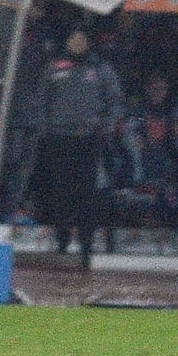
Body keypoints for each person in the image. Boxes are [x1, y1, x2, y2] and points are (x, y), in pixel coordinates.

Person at [34, 28, 124, 264]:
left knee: (87, 193)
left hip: (89, 139)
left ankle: (86, 242)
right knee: (60, 191)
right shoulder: (54, 67)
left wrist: (104, 127)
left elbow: (115, 100)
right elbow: (41, 100)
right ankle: (62, 240)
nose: (77, 42)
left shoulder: (100, 68)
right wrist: (46, 130)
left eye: (82, 39)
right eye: (73, 38)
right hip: (59, 138)